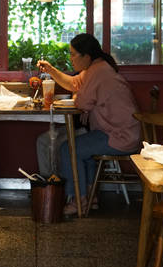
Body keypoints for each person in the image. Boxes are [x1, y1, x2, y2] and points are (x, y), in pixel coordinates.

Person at [36, 33, 141, 215]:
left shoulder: (98, 71)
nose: (71, 58)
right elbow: (74, 84)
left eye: (73, 54)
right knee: (83, 149)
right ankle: (90, 198)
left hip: (120, 136)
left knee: (68, 149)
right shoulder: (96, 68)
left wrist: (79, 94)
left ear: (86, 55)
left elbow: (82, 102)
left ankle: (78, 201)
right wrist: (51, 70)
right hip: (120, 132)